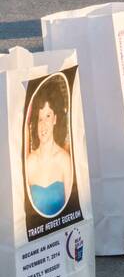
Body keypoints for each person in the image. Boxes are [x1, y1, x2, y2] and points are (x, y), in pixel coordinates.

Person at [25, 77, 73, 219]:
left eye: (48, 116)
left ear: (55, 119)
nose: (43, 124)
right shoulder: (29, 162)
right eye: (40, 118)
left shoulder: (64, 160)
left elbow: (72, 208)